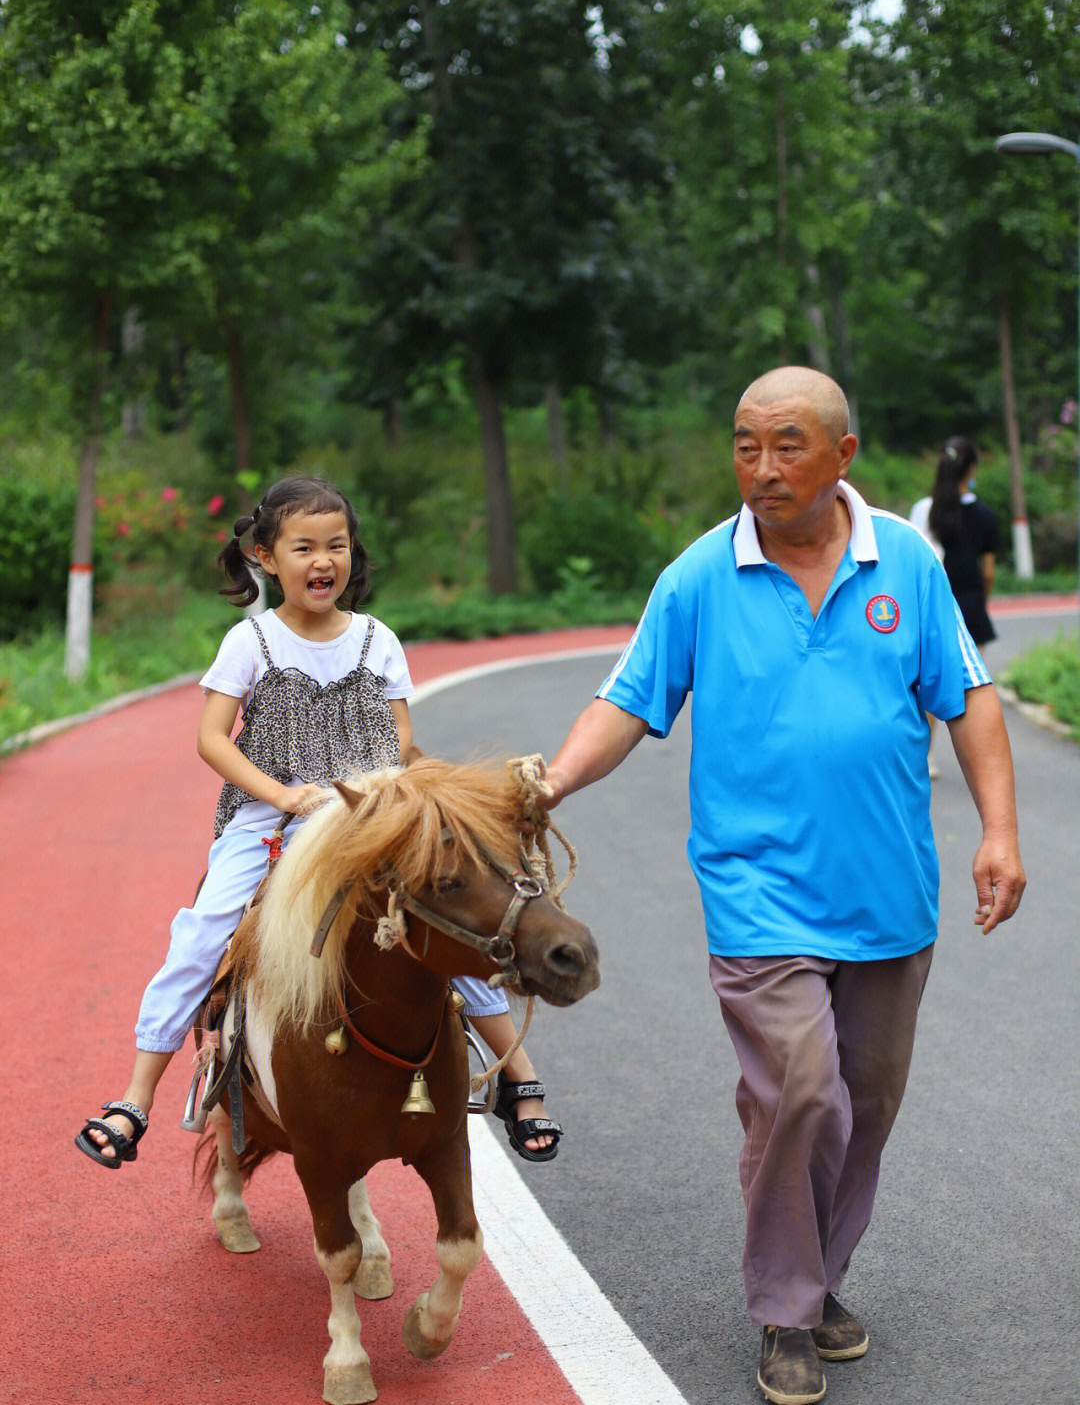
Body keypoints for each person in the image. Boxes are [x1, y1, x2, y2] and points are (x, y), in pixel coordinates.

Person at [541, 368, 1025, 1404]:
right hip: (757, 889)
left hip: (892, 891)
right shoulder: (700, 576)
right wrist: (546, 783)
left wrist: (999, 831)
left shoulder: (903, 557)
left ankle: (818, 1278)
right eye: (746, 444)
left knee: (866, 1102)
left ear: (842, 454)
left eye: (788, 445)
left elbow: (970, 699)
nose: (762, 468)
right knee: (801, 1087)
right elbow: (627, 701)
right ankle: (786, 1309)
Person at [75, 475, 559, 1169]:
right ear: (267, 558)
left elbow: (402, 744)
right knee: (204, 932)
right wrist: (283, 793)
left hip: (373, 818)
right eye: (304, 546)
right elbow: (212, 739)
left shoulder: (377, 639)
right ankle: (136, 1095)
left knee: (452, 918)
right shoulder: (252, 642)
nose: (323, 559)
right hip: (271, 817)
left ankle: (518, 1076)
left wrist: (452, 796)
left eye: (337, 544)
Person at [909, 438, 1001, 777]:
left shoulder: (924, 509)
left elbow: (917, 561)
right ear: (972, 469)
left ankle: (925, 758)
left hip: (934, 603)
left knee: (930, 685)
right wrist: (981, 599)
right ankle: (978, 765)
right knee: (972, 691)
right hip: (971, 602)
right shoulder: (985, 514)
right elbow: (988, 570)